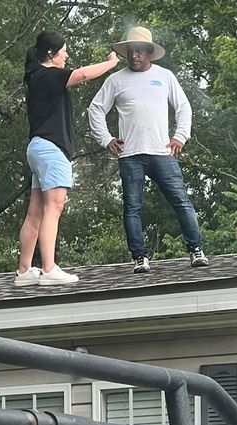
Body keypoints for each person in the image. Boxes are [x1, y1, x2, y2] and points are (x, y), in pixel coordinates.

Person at [88, 26, 209, 274]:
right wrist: (106, 139)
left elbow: (184, 107)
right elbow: (95, 109)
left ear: (149, 53)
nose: (135, 56)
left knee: (180, 201)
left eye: (140, 52)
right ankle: (139, 257)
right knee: (132, 206)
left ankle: (196, 250)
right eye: (131, 51)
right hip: (130, 153)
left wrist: (180, 137)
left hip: (161, 151)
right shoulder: (116, 80)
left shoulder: (164, 76)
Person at [15, 31, 119, 286]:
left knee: (36, 212)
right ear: (51, 54)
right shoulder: (48, 75)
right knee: (55, 206)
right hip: (51, 149)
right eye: (63, 51)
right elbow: (82, 74)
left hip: (38, 148)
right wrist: (112, 63)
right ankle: (49, 269)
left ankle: (25, 271)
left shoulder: (37, 77)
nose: (67, 55)